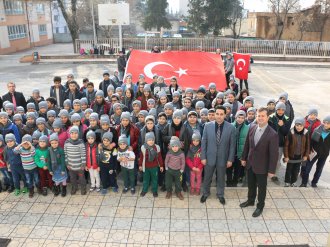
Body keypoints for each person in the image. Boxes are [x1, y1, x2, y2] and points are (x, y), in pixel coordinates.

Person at [240, 107, 279, 217]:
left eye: (262, 116)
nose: (260, 118)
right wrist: (244, 158)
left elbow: (274, 155)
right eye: (258, 115)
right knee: (251, 185)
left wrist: (272, 171)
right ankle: (250, 200)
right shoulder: (252, 128)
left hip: (262, 166)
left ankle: (260, 206)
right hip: (250, 163)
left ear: (267, 117)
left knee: (262, 188)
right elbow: (247, 145)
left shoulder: (273, 134)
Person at [200, 105, 236, 205]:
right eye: (217, 114)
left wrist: (230, 159)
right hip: (209, 157)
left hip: (223, 158)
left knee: (221, 177)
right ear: (214, 114)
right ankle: (205, 193)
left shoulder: (231, 127)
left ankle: (220, 194)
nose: (219, 116)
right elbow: (204, 142)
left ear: (225, 115)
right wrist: (203, 157)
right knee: (207, 177)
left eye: (221, 114)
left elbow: (232, 145)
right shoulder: (207, 126)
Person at [301, 115, 330, 188]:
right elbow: (311, 142)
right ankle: (304, 182)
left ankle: (314, 182)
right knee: (307, 167)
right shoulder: (317, 130)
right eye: (324, 122)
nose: (326, 125)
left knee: (319, 169)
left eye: (328, 123)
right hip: (314, 152)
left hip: (324, 154)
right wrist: (309, 151)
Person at [283, 117, 310, 187]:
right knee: (289, 169)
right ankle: (287, 181)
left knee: (296, 170)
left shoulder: (306, 133)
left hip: (300, 156)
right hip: (291, 155)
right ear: (295, 125)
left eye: (300, 126)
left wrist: (306, 155)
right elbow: (286, 145)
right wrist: (286, 156)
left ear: (303, 126)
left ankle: (293, 181)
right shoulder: (291, 132)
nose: (298, 127)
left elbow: (308, 145)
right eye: (297, 125)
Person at [268, 102, 290, 184]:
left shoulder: (287, 119)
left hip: (280, 144)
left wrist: (282, 125)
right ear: (276, 109)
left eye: (282, 110)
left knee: (277, 160)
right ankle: (267, 171)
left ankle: (273, 174)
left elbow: (286, 133)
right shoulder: (270, 117)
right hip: (270, 142)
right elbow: (268, 130)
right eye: (278, 109)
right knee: (268, 158)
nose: (280, 111)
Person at [139, 132, 163, 197]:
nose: (151, 141)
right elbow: (141, 157)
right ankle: (144, 190)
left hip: (154, 167)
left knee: (154, 179)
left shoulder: (157, 147)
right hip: (146, 167)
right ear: (146, 140)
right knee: (146, 179)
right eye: (149, 140)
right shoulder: (143, 148)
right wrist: (140, 165)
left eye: (152, 140)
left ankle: (154, 190)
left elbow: (159, 157)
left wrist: (161, 166)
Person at [229, 110, 249, 187]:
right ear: (235, 117)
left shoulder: (247, 128)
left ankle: (234, 183)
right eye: (238, 117)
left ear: (245, 118)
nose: (240, 119)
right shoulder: (230, 126)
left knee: (237, 170)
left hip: (240, 154)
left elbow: (247, 143)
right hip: (231, 153)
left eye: (242, 118)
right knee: (229, 170)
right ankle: (229, 183)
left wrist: (244, 156)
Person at [64, 126, 86, 195]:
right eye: (72, 133)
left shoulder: (81, 143)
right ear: (69, 134)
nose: (74, 135)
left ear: (78, 134)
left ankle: (83, 187)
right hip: (71, 166)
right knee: (72, 178)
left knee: (81, 178)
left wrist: (83, 164)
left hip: (80, 167)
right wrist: (67, 163)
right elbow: (66, 154)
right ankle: (74, 187)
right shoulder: (67, 143)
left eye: (76, 133)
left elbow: (83, 154)